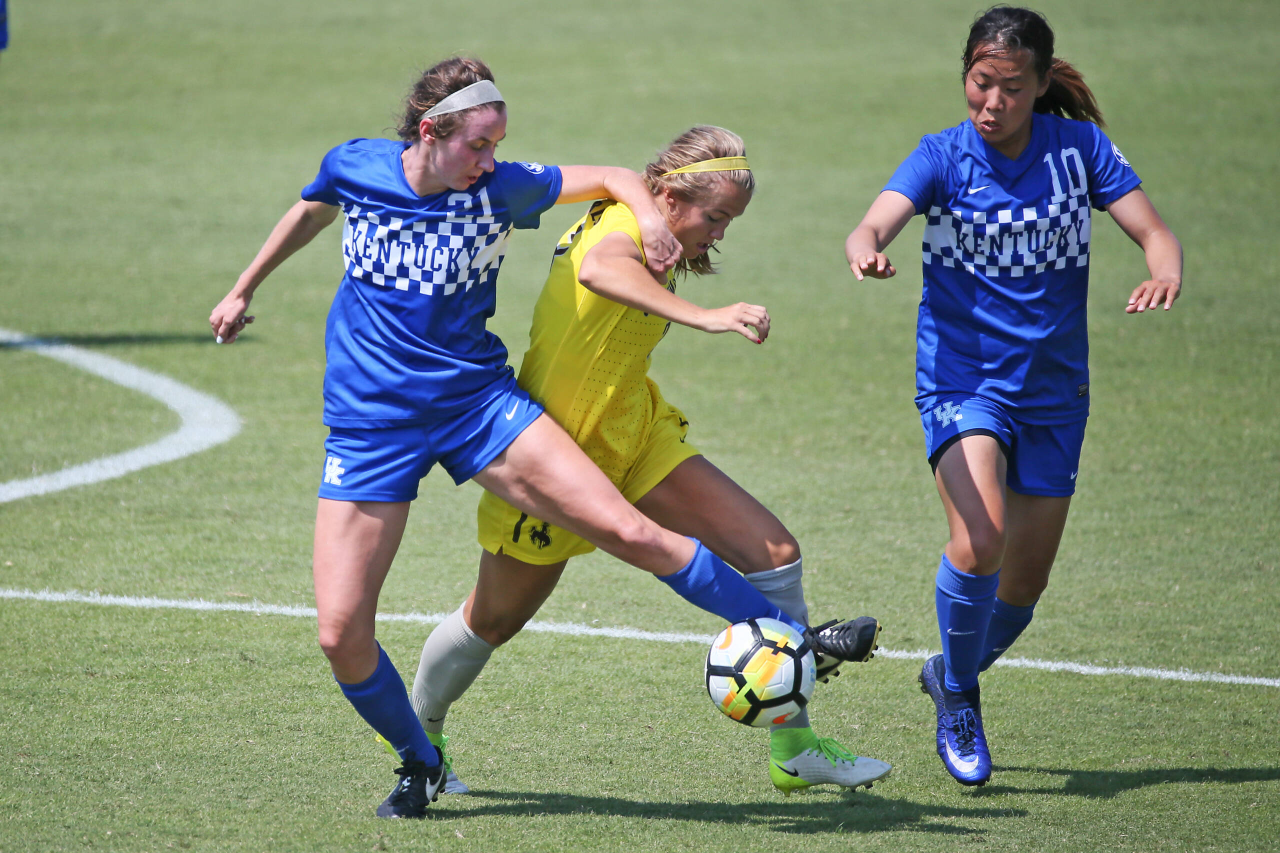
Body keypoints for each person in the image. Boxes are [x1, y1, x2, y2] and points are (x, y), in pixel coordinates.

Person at [210, 59, 869, 819]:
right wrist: (244, 286)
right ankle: (420, 758)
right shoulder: (355, 165)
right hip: (370, 421)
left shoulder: (503, 188)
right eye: (479, 144)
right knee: (340, 633)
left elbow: (617, 176)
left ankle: (797, 643)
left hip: (477, 405)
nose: (492, 160)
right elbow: (313, 207)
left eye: (499, 144)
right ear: (430, 130)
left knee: (631, 532)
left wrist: (652, 219)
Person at [406, 126, 891, 798]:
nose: (719, 234)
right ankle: (418, 736)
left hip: (632, 429)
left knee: (774, 552)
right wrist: (706, 316)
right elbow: (601, 270)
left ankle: (795, 747)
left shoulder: (649, 223)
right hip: (557, 449)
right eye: (714, 217)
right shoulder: (622, 228)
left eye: (730, 222)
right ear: (669, 196)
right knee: (492, 619)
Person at [844, 6, 1182, 787]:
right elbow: (873, 223)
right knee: (982, 538)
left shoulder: (1080, 151)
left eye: (1012, 89)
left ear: (1040, 85)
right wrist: (867, 250)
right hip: (963, 381)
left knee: (1023, 586)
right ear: (965, 73)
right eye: (979, 83)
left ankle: (947, 671)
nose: (991, 103)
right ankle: (961, 699)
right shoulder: (941, 156)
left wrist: (1164, 269)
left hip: (1055, 391)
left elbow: (1154, 231)